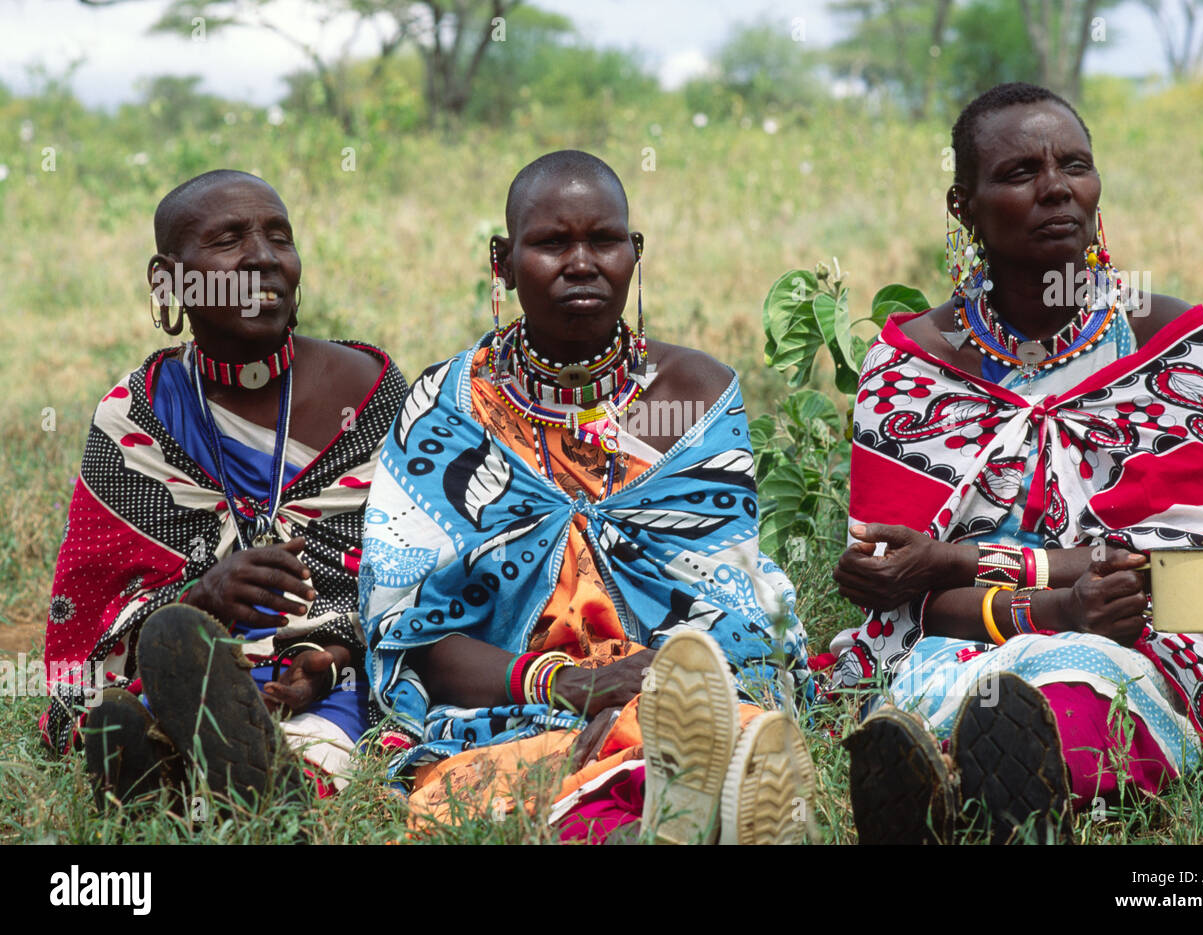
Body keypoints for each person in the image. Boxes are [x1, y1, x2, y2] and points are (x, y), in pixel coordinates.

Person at [830, 83, 1203, 844]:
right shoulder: (912, 364)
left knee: (1111, 668)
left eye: (1075, 165)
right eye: (1019, 172)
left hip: (1154, 613)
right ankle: (961, 778)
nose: (1056, 188)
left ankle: (973, 786)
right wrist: (1052, 609)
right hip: (971, 629)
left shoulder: (1164, 340)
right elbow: (907, 594)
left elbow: (1202, 569)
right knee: (944, 668)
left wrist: (968, 560)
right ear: (964, 205)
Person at [360, 150, 813, 844]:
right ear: (503, 263)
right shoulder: (445, 411)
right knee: (481, 777)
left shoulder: (691, 395)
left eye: (604, 240)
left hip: (685, 694)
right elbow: (418, 637)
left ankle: (670, 784)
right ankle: (655, 801)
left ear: (634, 253)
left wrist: (654, 682)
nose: (581, 262)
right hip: (512, 702)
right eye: (550, 243)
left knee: (725, 730)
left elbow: (729, 596)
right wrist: (564, 685)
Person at [41, 169, 407, 805]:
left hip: (330, 672)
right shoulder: (138, 417)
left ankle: (223, 778)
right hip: (190, 663)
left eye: (279, 236)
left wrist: (334, 650)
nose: (263, 257)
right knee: (156, 681)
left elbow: (416, 572)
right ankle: (171, 755)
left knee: (333, 727)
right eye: (230, 239)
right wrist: (201, 598)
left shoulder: (373, 396)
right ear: (168, 280)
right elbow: (95, 607)